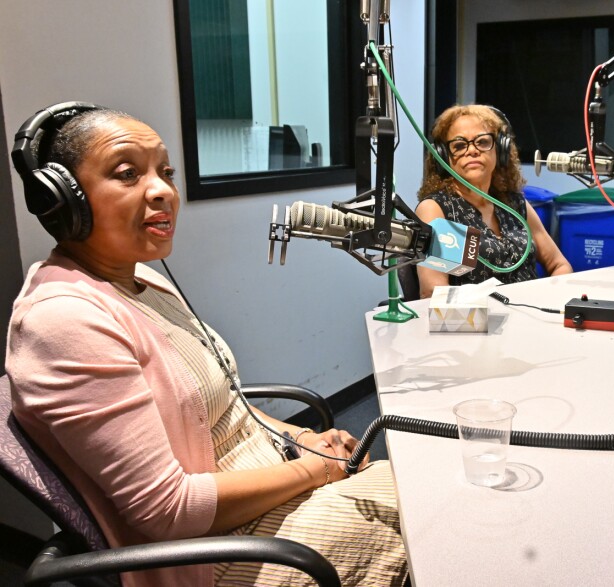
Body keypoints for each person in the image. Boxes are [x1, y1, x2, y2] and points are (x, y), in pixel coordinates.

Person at [6, 104, 407, 587]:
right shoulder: (62, 321)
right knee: (439, 515)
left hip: (272, 497)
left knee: (428, 489)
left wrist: (300, 439)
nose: (162, 191)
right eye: (128, 173)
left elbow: (224, 407)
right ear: (62, 201)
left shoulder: (143, 280)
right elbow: (170, 513)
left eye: (166, 172)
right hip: (216, 555)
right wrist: (317, 469)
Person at [415, 104, 572, 298]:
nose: (472, 150)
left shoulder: (515, 205)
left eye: (482, 142)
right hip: (473, 323)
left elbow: (559, 264)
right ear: (444, 156)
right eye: (459, 145)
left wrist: (545, 300)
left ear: (500, 150)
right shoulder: (437, 210)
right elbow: (433, 292)